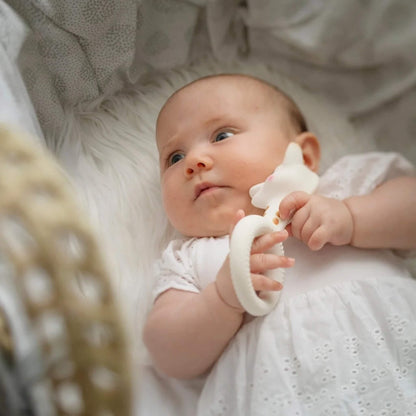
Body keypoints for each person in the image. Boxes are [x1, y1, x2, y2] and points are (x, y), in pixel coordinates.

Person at [143, 73, 416, 415]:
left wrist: (351, 217)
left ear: (303, 156)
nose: (194, 162)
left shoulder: (342, 188)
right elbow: (168, 353)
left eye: (221, 135)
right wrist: (223, 299)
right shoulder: (191, 257)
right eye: (174, 157)